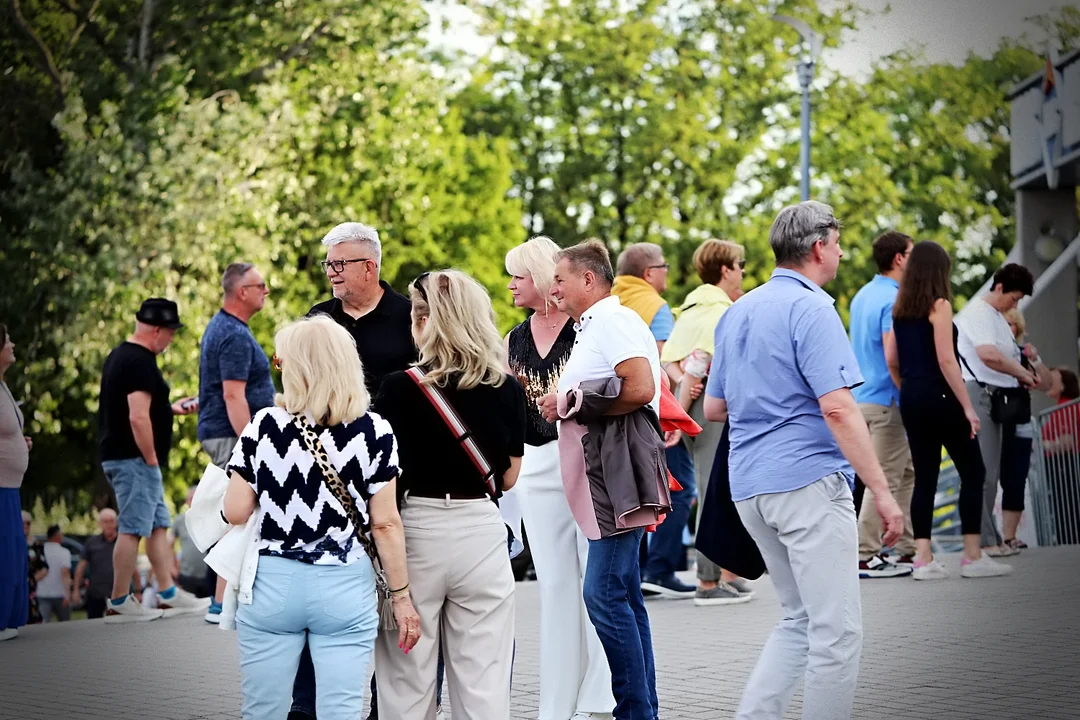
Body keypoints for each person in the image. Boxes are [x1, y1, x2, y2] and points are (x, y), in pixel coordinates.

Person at [703, 201, 905, 720]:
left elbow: (715, 407)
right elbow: (838, 406)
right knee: (837, 632)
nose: (839, 252)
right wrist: (881, 492)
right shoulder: (813, 308)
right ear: (819, 247)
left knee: (799, 620)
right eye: (837, 244)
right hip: (807, 482)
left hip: (749, 485)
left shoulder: (739, 310)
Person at [223, 315, 419, 720]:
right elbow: (385, 524)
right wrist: (401, 598)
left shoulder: (264, 425)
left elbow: (234, 511)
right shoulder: (375, 431)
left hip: (273, 583)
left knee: (263, 708)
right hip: (344, 584)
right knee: (341, 708)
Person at [373, 270, 524, 718]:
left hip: (415, 531)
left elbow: (382, 478)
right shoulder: (505, 387)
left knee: (406, 676)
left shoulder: (398, 388)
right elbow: (510, 477)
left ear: (423, 321)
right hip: (480, 531)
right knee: (484, 679)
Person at [539, 239, 666, 720]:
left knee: (604, 594)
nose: (554, 288)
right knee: (625, 595)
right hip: (606, 474)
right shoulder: (597, 325)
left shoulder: (612, 321)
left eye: (560, 279)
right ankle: (642, 708)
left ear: (587, 280)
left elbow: (640, 387)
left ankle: (634, 711)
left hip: (613, 474)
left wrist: (572, 404)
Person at [298, 222, 418, 720]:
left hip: (397, 475)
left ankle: (384, 705)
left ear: (370, 267)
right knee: (327, 600)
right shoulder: (318, 318)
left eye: (339, 263)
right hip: (327, 484)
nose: (330, 272)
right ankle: (310, 704)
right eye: (327, 263)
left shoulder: (410, 316)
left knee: (392, 595)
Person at [505, 237, 616, 720]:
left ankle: (601, 695)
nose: (510, 284)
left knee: (596, 578)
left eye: (517, 275)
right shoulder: (513, 338)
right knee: (554, 584)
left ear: (541, 276)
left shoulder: (585, 328)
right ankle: (557, 702)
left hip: (588, 458)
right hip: (535, 462)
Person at [886, 240, 1011, 581]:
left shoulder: (900, 308)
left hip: (912, 397)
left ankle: (923, 560)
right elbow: (946, 359)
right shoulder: (938, 306)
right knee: (973, 472)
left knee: (924, 478)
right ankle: (972, 556)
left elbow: (891, 360)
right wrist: (968, 407)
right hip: (941, 397)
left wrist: (909, 388)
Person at [97, 298, 208, 622]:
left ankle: (168, 592)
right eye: (171, 333)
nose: (171, 340)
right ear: (157, 330)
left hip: (131, 457)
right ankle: (119, 599)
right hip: (134, 459)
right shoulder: (140, 361)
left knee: (158, 525)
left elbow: (135, 408)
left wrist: (170, 409)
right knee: (132, 527)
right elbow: (137, 419)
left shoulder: (122, 355)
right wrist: (150, 459)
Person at [660, 238, 755, 605]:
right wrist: (692, 384)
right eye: (740, 263)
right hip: (711, 410)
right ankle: (708, 582)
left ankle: (726, 573)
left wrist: (684, 381)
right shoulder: (720, 312)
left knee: (716, 487)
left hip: (695, 407)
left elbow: (671, 362)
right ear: (726, 269)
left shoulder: (689, 311)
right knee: (713, 490)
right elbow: (700, 360)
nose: (743, 270)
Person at [610, 242, 698, 602]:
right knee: (680, 487)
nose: (667, 273)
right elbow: (661, 366)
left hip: (616, 415)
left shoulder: (610, 302)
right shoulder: (655, 307)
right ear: (649, 273)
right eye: (663, 266)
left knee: (632, 492)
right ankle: (661, 569)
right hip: (652, 414)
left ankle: (638, 569)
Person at [955, 263, 1051, 557]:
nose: (1015, 304)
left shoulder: (995, 315)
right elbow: (988, 355)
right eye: (1014, 297)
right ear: (999, 288)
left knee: (991, 473)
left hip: (995, 397)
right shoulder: (978, 313)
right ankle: (983, 540)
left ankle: (991, 536)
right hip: (980, 393)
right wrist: (1021, 374)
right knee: (982, 472)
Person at [197, 262, 275, 621]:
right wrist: (252, 444)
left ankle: (221, 600)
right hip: (233, 435)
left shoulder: (226, 328)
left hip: (223, 432)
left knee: (238, 513)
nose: (266, 291)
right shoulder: (233, 335)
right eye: (261, 285)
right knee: (240, 512)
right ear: (242, 291)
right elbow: (233, 395)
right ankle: (219, 603)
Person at [849, 231, 917, 578]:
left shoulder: (863, 295)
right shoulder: (894, 298)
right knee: (885, 480)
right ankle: (865, 553)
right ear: (899, 258)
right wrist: (909, 390)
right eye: (912, 252)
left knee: (905, 474)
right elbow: (894, 352)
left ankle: (906, 547)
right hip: (888, 398)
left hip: (863, 399)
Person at [1, 323, 31, 641]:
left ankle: (9, 619)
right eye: (6, 340)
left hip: (10, 486)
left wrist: (21, 444)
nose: (12, 344)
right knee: (4, 552)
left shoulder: (3, 386)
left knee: (13, 553)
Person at [998, 308, 1037, 550]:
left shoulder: (1023, 353)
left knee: (1016, 480)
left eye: (1012, 324)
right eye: (1004, 323)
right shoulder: (986, 353)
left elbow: (1046, 382)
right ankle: (988, 538)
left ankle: (1009, 536)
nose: (1008, 328)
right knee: (990, 478)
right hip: (996, 422)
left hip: (1020, 420)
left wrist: (1035, 360)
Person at [74, 509, 138, 619]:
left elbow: (133, 566)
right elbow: (81, 567)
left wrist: (139, 590)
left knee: (124, 625)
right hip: (96, 594)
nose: (109, 525)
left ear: (116, 523)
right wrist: (76, 589)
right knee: (94, 627)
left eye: (111, 521)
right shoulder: (91, 542)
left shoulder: (123, 542)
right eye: (105, 521)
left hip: (121, 594)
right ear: (100, 524)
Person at [172, 488, 210, 597]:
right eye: (191, 499)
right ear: (187, 502)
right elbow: (168, 544)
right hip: (187, 575)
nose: (194, 502)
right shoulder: (180, 520)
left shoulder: (210, 518)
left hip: (208, 575)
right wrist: (172, 567)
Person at [37, 525, 74, 622]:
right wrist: (67, 594)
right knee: (64, 624)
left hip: (42, 592)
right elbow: (65, 573)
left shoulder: (40, 550)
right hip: (59, 593)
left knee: (43, 623)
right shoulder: (63, 552)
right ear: (57, 535)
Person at [23, 511, 48, 625]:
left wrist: (31, 580)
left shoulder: (36, 545)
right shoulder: (8, 544)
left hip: (30, 591)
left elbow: (44, 568)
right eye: (23, 523)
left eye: (28, 523)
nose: (26, 526)